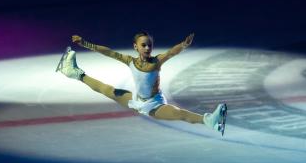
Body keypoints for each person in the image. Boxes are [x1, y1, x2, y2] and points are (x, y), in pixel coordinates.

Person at [56, 31, 227, 135]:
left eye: (149, 45)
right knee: (107, 89)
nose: (147, 48)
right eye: (143, 45)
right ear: (135, 47)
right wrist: (85, 43)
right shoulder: (130, 61)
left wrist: (183, 45)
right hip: (137, 99)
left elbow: (170, 53)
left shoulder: (156, 61)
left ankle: (209, 121)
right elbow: (108, 52)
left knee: (179, 114)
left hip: (155, 104)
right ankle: (73, 72)